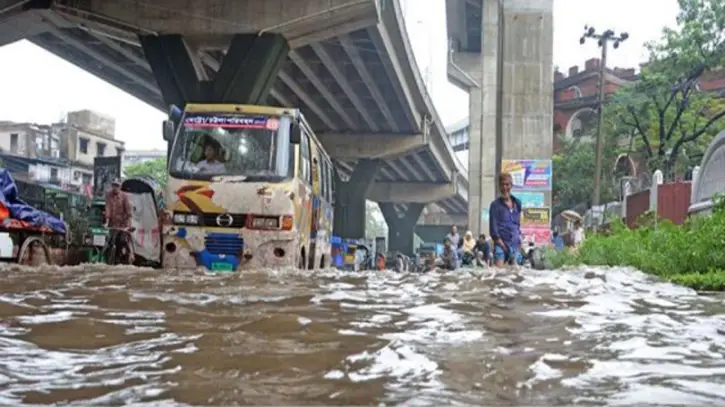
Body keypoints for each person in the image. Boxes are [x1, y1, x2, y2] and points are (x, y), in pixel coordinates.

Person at [489, 172, 523, 266]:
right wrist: (504, 247)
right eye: (502, 184)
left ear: (511, 185)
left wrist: (520, 240)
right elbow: (493, 231)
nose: (504, 187)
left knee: (515, 276)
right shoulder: (495, 205)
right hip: (501, 246)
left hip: (515, 246)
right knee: (499, 275)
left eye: (507, 184)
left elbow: (518, 225)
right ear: (499, 186)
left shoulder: (517, 203)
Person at [104, 179, 134, 263]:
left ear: (120, 187)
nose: (115, 188)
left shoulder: (124, 196)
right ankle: (107, 260)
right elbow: (108, 208)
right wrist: (107, 220)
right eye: (114, 185)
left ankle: (120, 258)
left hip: (123, 224)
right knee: (109, 241)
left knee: (121, 241)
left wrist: (129, 225)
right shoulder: (108, 195)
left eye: (117, 186)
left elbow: (128, 211)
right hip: (112, 224)